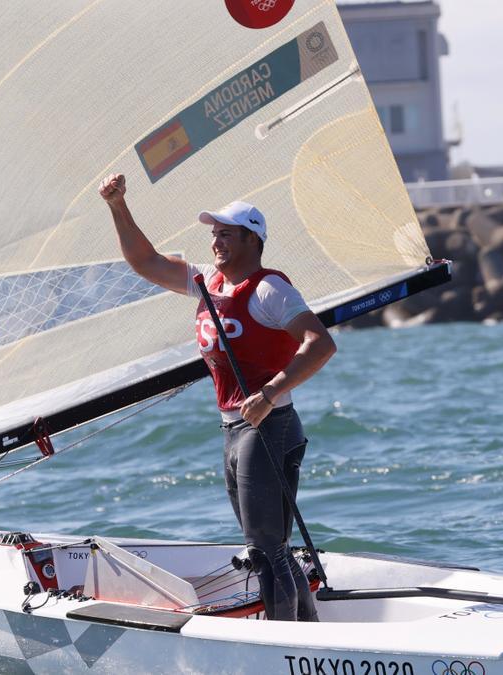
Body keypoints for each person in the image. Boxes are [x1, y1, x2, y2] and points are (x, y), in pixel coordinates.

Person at [98, 173, 335, 621]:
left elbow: (320, 344)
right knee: (273, 548)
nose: (216, 242)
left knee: (264, 551)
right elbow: (145, 262)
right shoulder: (207, 282)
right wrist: (117, 206)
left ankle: (284, 649)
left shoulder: (269, 288)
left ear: (252, 240)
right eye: (214, 234)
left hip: (269, 425)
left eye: (226, 234)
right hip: (233, 429)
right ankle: (306, 634)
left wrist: (269, 393)